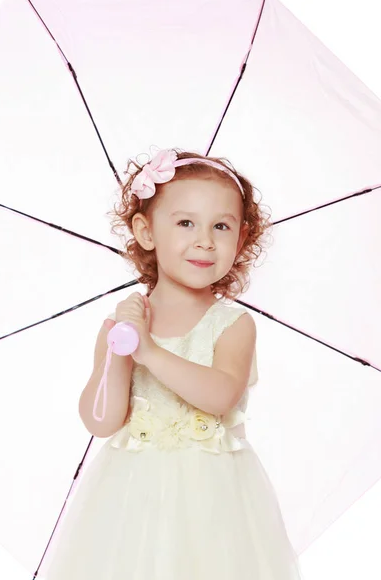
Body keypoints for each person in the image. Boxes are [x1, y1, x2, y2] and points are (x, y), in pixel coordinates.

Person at [43, 148, 304, 579]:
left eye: (221, 226)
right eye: (185, 223)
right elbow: (101, 421)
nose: (205, 240)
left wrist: (149, 352)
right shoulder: (121, 328)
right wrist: (119, 352)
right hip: (131, 495)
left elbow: (220, 394)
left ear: (240, 239)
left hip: (213, 498)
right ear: (146, 232)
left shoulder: (233, 324)